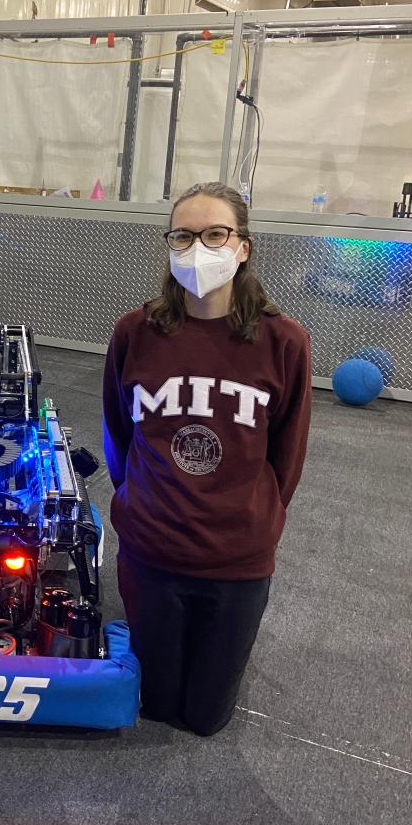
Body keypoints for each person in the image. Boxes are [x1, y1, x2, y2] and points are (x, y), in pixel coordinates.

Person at [102, 181, 311, 736]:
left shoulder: (284, 341)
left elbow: (287, 455)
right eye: (184, 235)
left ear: (242, 246)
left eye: (216, 233)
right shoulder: (135, 333)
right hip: (153, 549)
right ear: (169, 245)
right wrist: (136, 499)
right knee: (156, 704)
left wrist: (256, 521)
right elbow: (118, 433)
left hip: (236, 559)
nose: (200, 248)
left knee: (205, 717)